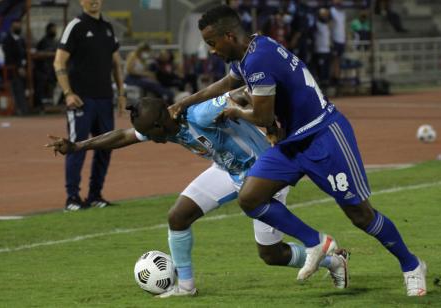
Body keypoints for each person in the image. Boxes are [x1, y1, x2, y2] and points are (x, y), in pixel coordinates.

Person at [168, 5, 427, 296]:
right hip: (293, 142)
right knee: (251, 198)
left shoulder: (258, 60)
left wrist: (235, 112)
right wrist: (186, 102)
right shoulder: (252, 49)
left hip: (324, 135)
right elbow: (229, 82)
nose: (211, 51)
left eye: (212, 43)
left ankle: (411, 265)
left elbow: (264, 118)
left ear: (229, 36)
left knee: (361, 215)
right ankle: (315, 241)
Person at [46, 88, 350, 297]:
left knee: (271, 254)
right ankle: (186, 286)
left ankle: (333, 260)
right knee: (178, 216)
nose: (152, 141)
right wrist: (78, 146)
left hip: (262, 175)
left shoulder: (200, 114)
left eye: (153, 136)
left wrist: (268, 120)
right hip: (227, 170)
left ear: (163, 122)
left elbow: (240, 92)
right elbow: (124, 135)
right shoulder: (159, 123)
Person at [53, 0, 126, 211]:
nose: (94, 1)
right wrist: (68, 93)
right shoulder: (75, 26)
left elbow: (116, 64)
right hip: (81, 99)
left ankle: (95, 195)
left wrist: (121, 93)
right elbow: (59, 62)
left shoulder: (108, 28)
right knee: (77, 147)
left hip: (104, 98)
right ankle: (72, 198)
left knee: (106, 146)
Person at [2, 18, 29, 115]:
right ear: (11, 27)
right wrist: (19, 67)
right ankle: (22, 109)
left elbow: (25, 54)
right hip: (12, 70)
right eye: (16, 25)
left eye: (19, 25)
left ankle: (36, 105)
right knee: (18, 84)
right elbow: (9, 56)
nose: (18, 27)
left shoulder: (21, 40)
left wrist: (24, 65)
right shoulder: (7, 40)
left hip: (23, 68)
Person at [34, 22, 59, 111]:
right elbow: (38, 54)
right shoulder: (43, 41)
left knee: (52, 86)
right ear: (48, 30)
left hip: (53, 69)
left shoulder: (56, 41)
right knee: (42, 87)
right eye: (53, 29)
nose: (55, 31)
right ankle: (39, 105)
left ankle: (51, 104)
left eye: (55, 29)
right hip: (43, 70)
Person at [312, 8, 332, 92]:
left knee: (326, 70)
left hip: (327, 50)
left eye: (326, 15)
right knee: (320, 70)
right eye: (323, 15)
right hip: (319, 50)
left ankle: (326, 87)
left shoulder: (327, 25)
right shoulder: (317, 24)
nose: (325, 16)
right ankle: (320, 88)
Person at [329, 0, 347, 88]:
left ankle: (337, 77)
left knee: (338, 59)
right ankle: (333, 78)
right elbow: (330, 25)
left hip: (341, 40)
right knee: (334, 59)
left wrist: (346, 39)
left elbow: (344, 26)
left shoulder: (343, 12)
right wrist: (330, 39)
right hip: (335, 39)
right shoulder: (332, 11)